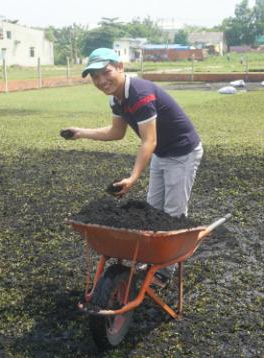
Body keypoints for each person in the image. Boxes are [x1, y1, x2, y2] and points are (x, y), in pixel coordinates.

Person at [62, 48, 203, 286]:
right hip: (161, 153)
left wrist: (133, 177)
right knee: (154, 209)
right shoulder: (116, 98)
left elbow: (149, 140)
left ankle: (165, 269)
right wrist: (81, 133)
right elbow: (116, 133)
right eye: (95, 76)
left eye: (105, 72)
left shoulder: (140, 94)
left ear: (120, 66)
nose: (101, 81)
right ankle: (153, 256)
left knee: (173, 212)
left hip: (182, 152)